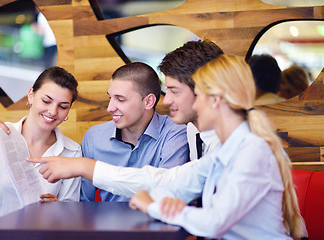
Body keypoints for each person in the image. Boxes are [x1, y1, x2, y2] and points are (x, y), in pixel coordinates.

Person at [128, 55, 305, 239]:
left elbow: (215, 223)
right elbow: (179, 185)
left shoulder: (252, 150)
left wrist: (154, 207)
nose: (195, 105)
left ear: (216, 100)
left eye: (198, 96)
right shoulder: (224, 149)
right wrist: (163, 200)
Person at [27, 39, 224, 200]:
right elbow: (180, 183)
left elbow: (169, 186)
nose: (168, 100)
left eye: (174, 91)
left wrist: (87, 167)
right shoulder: (197, 133)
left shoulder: (194, 134)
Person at [0, 67, 81, 222]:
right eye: (46, 101)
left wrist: (58, 208)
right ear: (31, 95)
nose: (53, 111)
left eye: (63, 106)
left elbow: (71, 212)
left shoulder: (72, 151)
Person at [79, 62, 189, 202]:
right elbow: (84, 203)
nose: (110, 108)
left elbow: (168, 192)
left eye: (120, 99)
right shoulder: (94, 137)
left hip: (155, 220)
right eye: (110, 98)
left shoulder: (175, 133)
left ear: (148, 101)